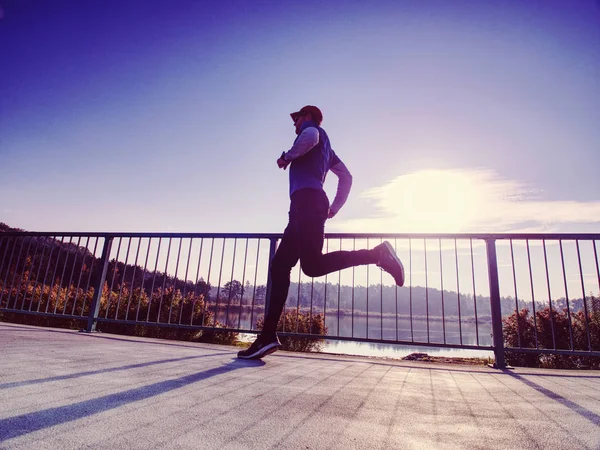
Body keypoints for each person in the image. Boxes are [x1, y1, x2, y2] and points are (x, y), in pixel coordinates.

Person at [238, 105, 405, 359]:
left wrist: (287, 156)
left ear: (307, 117)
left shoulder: (313, 133)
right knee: (286, 266)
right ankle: (268, 336)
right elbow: (346, 177)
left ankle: (377, 254)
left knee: (301, 266)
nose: (295, 125)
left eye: (297, 119)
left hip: (306, 203)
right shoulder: (329, 152)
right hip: (306, 206)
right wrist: (335, 207)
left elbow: (311, 136)